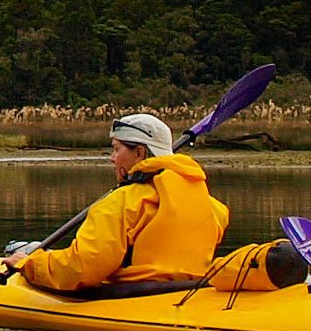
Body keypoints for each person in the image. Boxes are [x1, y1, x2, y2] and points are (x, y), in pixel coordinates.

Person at [12, 112, 231, 294]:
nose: (112, 158)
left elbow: (83, 268)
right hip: (193, 292)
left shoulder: (121, 203)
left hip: (135, 298)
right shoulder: (212, 206)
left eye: (117, 149)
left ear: (139, 153)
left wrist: (30, 264)